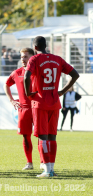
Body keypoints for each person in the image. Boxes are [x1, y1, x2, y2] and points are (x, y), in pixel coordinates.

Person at [24, 36, 79, 178]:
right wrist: (62, 91)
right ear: (45, 45)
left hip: (40, 102)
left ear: (35, 47)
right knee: (52, 136)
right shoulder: (57, 59)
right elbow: (75, 74)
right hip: (54, 102)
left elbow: (26, 76)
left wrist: (28, 93)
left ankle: (47, 170)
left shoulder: (34, 59)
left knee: (42, 137)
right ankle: (51, 169)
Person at [4, 48, 36, 170]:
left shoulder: (38, 71)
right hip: (24, 109)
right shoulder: (17, 73)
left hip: (38, 108)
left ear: (32, 58)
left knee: (42, 136)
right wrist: (12, 100)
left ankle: (44, 162)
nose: (23, 59)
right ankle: (29, 163)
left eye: (26, 56)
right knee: (25, 136)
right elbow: (6, 84)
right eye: (22, 57)